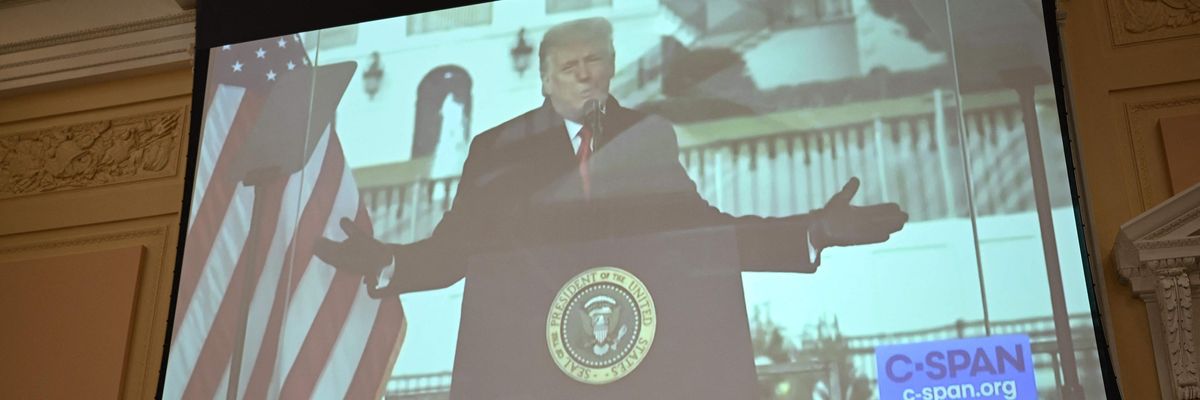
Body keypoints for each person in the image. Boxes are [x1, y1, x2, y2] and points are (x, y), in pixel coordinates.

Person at [315, 17, 906, 299]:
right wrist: (392, 261)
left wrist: (811, 231)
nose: (584, 74)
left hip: (639, 335)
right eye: (568, 67)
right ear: (544, 81)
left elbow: (705, 233)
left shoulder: (647, 136)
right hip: (529, 345)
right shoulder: (497, 148)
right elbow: (455, 251)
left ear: (612, 66)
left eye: (594, 61)